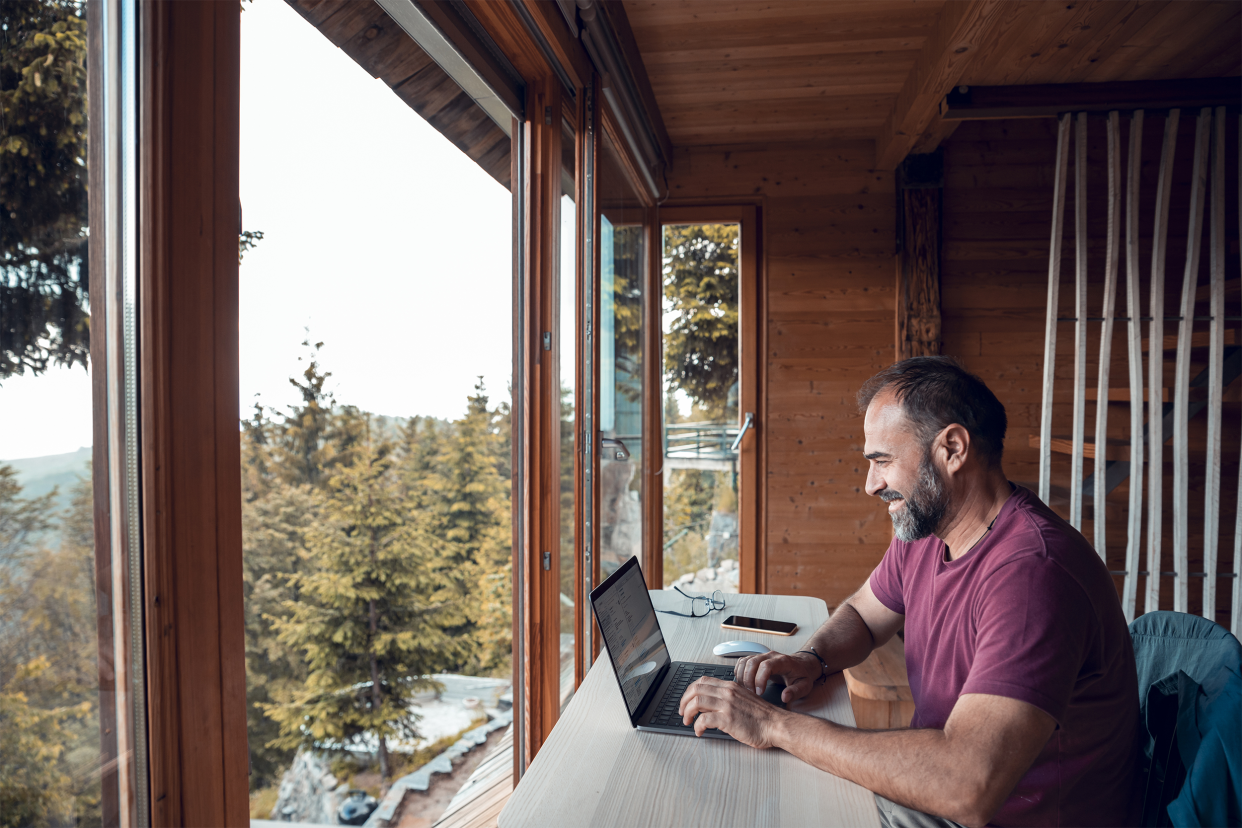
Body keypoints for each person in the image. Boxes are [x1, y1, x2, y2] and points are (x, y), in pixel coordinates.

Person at [678, 356, 1138, 828]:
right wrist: (812, 659)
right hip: (943, 792)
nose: (870, 484)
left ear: (953, 448)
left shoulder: (1033, 574)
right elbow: (862, 613)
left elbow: (966, 785)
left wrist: (773, 724)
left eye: (882, 461)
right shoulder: (929, 531)